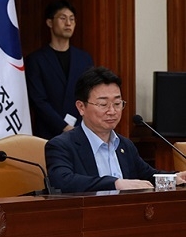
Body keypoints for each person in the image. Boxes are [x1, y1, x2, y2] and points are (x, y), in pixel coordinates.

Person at [46, 66, 186, 193]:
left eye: (117, 103)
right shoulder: (62, 145)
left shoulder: (125, 145)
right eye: (103, 104)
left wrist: (175, 177)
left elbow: (147, 176)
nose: (112, 111)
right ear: (81, 107)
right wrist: (115, 184)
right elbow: (62, 182)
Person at [25, 0, 94, 139]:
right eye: (63, 18)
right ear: (50, 23)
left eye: (72, 19)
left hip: (81, 131)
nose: (68, 23)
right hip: (48, 133)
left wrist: (81, 126)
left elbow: (90, 94)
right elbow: (38, 101)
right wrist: (63, 126)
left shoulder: (84, 59)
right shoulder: (36, 60)